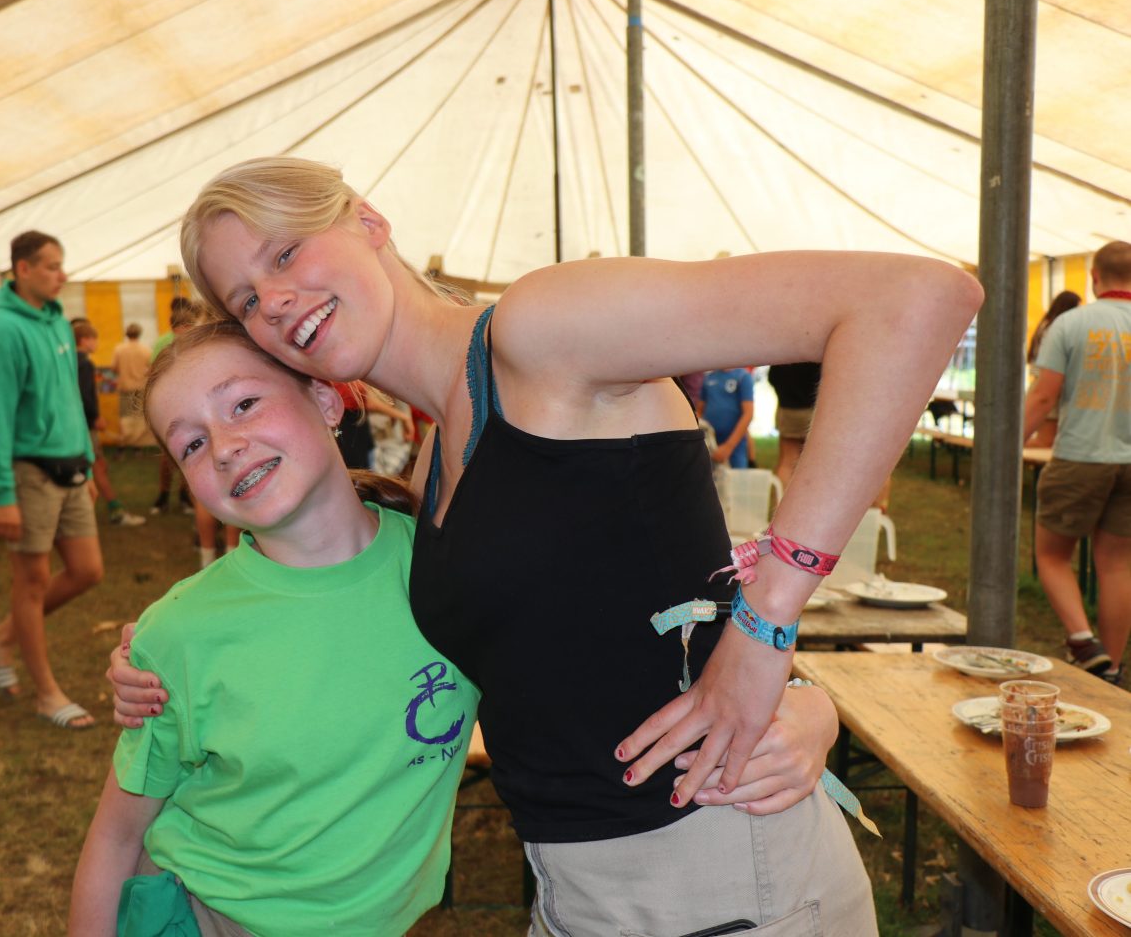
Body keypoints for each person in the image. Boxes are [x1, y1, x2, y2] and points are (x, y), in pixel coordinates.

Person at [109, 157, 980, 933]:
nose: (274, 300)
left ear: (368, 222)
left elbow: (913, 301)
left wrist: (767, 629)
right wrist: (165, 660)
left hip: (713, 860)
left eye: (285, 253)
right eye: (245, 300)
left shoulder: (539, 329)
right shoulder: (434, 464)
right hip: (577, 887)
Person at [71, 322, 839, 937]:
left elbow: (629, 635)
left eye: (243, 404)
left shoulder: (448, 570)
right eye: (190, 443)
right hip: (208, 915)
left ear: (328, 400)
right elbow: (116, 837)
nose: (225, 445)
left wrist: (809, 704)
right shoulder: (181, 632)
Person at [0, 230, 104, 729]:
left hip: (70, 468)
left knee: (87, 570)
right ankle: (47, 694)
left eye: (61, 265)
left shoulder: (57, 322)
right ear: (22, 269)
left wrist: (86, 462)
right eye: (51, 266)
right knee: (31, 581)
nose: (61, 275)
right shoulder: (2, 331)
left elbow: (69, 400)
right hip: (29, 474)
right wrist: (2, 493)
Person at [1024, 242, 1131, 685]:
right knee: (1118, 565)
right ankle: (1112, 668)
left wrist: (1006, 446)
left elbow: (1043, 396)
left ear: (1093, 276)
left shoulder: (1071, 323)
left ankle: (1084, 641)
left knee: (1051, 555)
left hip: (1081, 455)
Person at [72, 318, 144, 528]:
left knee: (93, 467)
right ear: (84, 340)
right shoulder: (85, 363)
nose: (96, 343)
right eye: (94, 339)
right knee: (98, 466)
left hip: (77, 423)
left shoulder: (69, 360)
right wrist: (95, 417)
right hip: (86, 425)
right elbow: (84, 395)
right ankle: (115, 511)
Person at [149, 300, 198, 516]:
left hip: (189, 405)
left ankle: (180, 496)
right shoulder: (165, 342)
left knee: (189, 452)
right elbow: (154, 373)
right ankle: (166, 496)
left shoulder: (196, 342)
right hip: (172, 406)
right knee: (172, 454)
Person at [1024, 290, 1082, 450]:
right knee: (1046, 441)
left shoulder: (1047, 325)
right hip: (1048, 385)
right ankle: (1008, 451)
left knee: (1047, 440)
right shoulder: (1056, 329)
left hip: (1042, 384)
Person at [768, 361, 822, 490]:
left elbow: (773, 377)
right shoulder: (815, 353)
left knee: (787, 461)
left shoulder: (786, 354)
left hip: (788, 409)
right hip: (816, 410)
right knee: (816, 460)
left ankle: (782, 499)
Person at [699, 366, 755, 469]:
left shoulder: (743, 377)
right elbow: (699, 411)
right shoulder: (709, 378)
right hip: (711, 441)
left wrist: (729, 446)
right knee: (710, 474)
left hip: (735, 442)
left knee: (736, 476)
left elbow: (748, 413)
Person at [112, 322, 154, 447]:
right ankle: (138, 446)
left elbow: (114, 368)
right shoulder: (146, 350)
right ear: (139, 334)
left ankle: (124, 444)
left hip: (125, 388)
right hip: (141, 388)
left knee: (125, 418)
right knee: (139, 418)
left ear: (127, 334)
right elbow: (151, 369)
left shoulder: (119, 349)